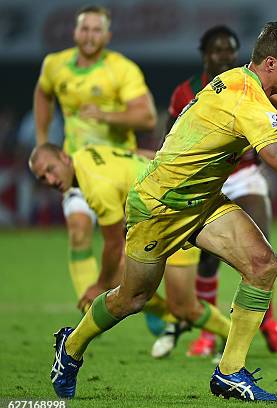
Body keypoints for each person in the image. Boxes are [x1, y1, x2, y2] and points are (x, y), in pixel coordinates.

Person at [48, 21, 277, 402]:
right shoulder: (247, 100)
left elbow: (272, 102)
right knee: (132, 298)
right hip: (160, 205)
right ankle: (71, 346)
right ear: (271, 63)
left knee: (263, 265)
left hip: (202, 201)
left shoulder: (242, 80)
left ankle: (229, 373)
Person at [29, 144, 231, 359]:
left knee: (183, 307)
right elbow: (131, 157)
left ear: (63, 157)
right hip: (162, 209)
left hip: (175, 212)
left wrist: (99, 285)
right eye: (42, 178)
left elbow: (114, 245)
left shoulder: (97, 187)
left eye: (51, 169)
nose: (50, 180)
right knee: (126, 284)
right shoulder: (86, 152)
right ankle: (172, 321)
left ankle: (230, 334)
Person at [167, 26, 277, 356]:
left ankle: (270, 320)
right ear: (205, 54)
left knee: (262, 250)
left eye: (230, 50)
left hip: (243, 175)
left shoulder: (250, 85)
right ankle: (208, 332)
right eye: (218, 50)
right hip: (209, 178)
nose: (225, 55)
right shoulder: (187, 92)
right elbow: (172, 137)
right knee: (209, 260)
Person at [34, 5, 157, 312]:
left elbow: (147, 117)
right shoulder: (55, 65)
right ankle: (92, 309)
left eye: (96, 30)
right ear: (75, 32)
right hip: (74, 168)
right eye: (85, 29)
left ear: (108, 35)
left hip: (117, 173)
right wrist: (41, 141)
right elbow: (43, 93)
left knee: (126, 252)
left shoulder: (121, 69)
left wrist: (105, 113)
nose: (90, 36)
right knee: (78, 231)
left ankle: (155, 307)